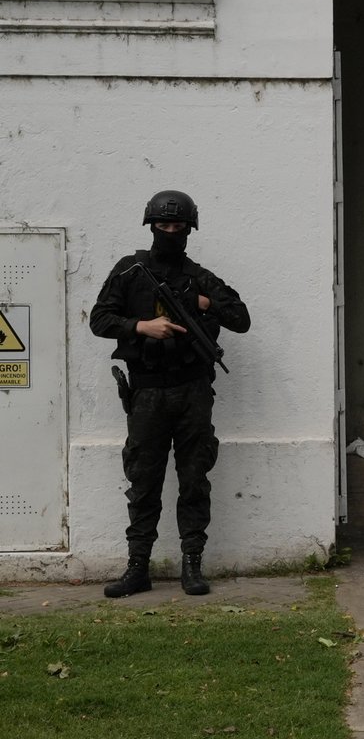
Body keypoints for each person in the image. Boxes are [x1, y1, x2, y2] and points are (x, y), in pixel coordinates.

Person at [89, 190, 251, 597]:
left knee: (194, 479)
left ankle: (192, 566)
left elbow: (240, 318)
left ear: (189, 229)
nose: (171, 231)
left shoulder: (199, 277)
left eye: (178, 226)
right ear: (152, 226)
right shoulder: (131, 271)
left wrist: (200, 302)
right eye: (164, 225)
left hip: (192, 391)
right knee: (143, 481)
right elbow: (100, 319)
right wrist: (143, 327)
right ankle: (138, 568)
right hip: (146, 394)